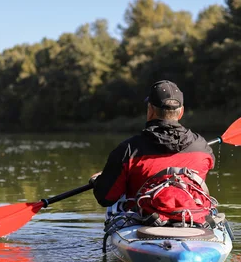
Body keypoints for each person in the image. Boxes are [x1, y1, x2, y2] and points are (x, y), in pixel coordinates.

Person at [91, 80, 215, 209]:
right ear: (181, 112)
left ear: (150, 110)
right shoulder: (202, 147)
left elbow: (106, 198)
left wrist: (98, 181)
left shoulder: (128, 150)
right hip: (191, 219)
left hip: (143, 220)